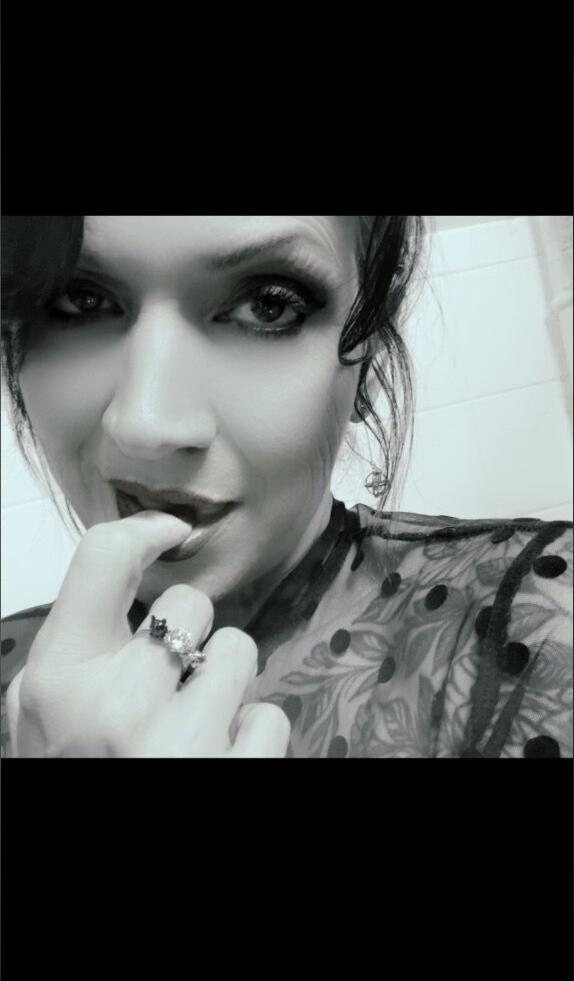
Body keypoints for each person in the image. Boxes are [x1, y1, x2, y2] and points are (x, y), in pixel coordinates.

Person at [1, 215, 572, 758]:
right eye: (79, 300)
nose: (146, 425)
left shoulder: (535, 616)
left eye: (267, 306)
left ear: (368, 351)